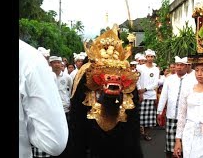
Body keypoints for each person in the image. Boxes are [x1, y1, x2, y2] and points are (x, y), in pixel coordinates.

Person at [68, 29, 143, 158]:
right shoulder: (85, 85)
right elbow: (77, 128)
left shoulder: (129, 91)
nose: (112, 77)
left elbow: (132, 131)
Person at [19, 40, 68, 158]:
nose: (57, 65)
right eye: (54, 62)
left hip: (59, 111)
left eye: (58, 62)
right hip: (43, 121)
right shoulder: (29, 59)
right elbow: (54, 142)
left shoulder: (66, 77)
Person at [157, 56, 190, 158]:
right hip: (171, 116)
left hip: (186, 118)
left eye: (181, 65)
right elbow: (164, 96)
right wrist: (159, 111)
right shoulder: (169, 79)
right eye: (177, 65)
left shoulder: (192, 79)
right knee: (170, 147)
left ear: (187, 66)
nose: (179, 67)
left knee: (185, 145)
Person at [137, 49, 160, 141]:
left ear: (154, 58)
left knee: (149, 118)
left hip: (151, 95)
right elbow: (137, 79)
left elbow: (155, 83)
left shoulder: (156, 69)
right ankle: (138, 133)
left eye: (151, 56)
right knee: (139, 116)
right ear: (145, 57)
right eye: (148, 56)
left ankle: (146, 134)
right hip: (140, 94)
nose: (150, 58)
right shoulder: (140, 68)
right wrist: (139, 91)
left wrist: (145, 89)